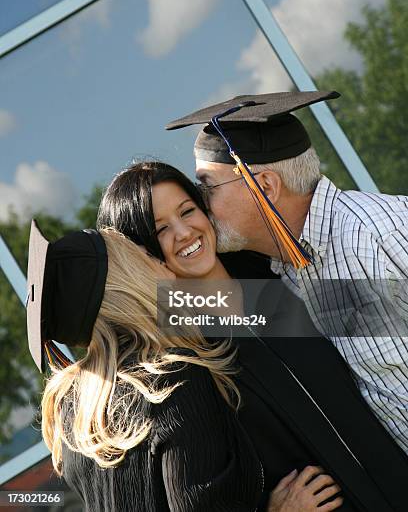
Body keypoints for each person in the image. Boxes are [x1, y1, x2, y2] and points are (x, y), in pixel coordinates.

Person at [97, 160, 408, 511]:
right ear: (142, 252)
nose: (184, 232)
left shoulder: (274, 277)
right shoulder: (181, 355)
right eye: (160, 230)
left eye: (187, 211)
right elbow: (199, 487)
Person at [26, 220, 342, 512]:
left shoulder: (72, 411)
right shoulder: (169, 379)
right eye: (143, 256)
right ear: (127, 279)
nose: (161, 261)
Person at [166, 89, 408, 457]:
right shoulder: (283, 272)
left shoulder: (382, 231)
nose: (201, 204)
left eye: (208, 187)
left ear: (263, 186)